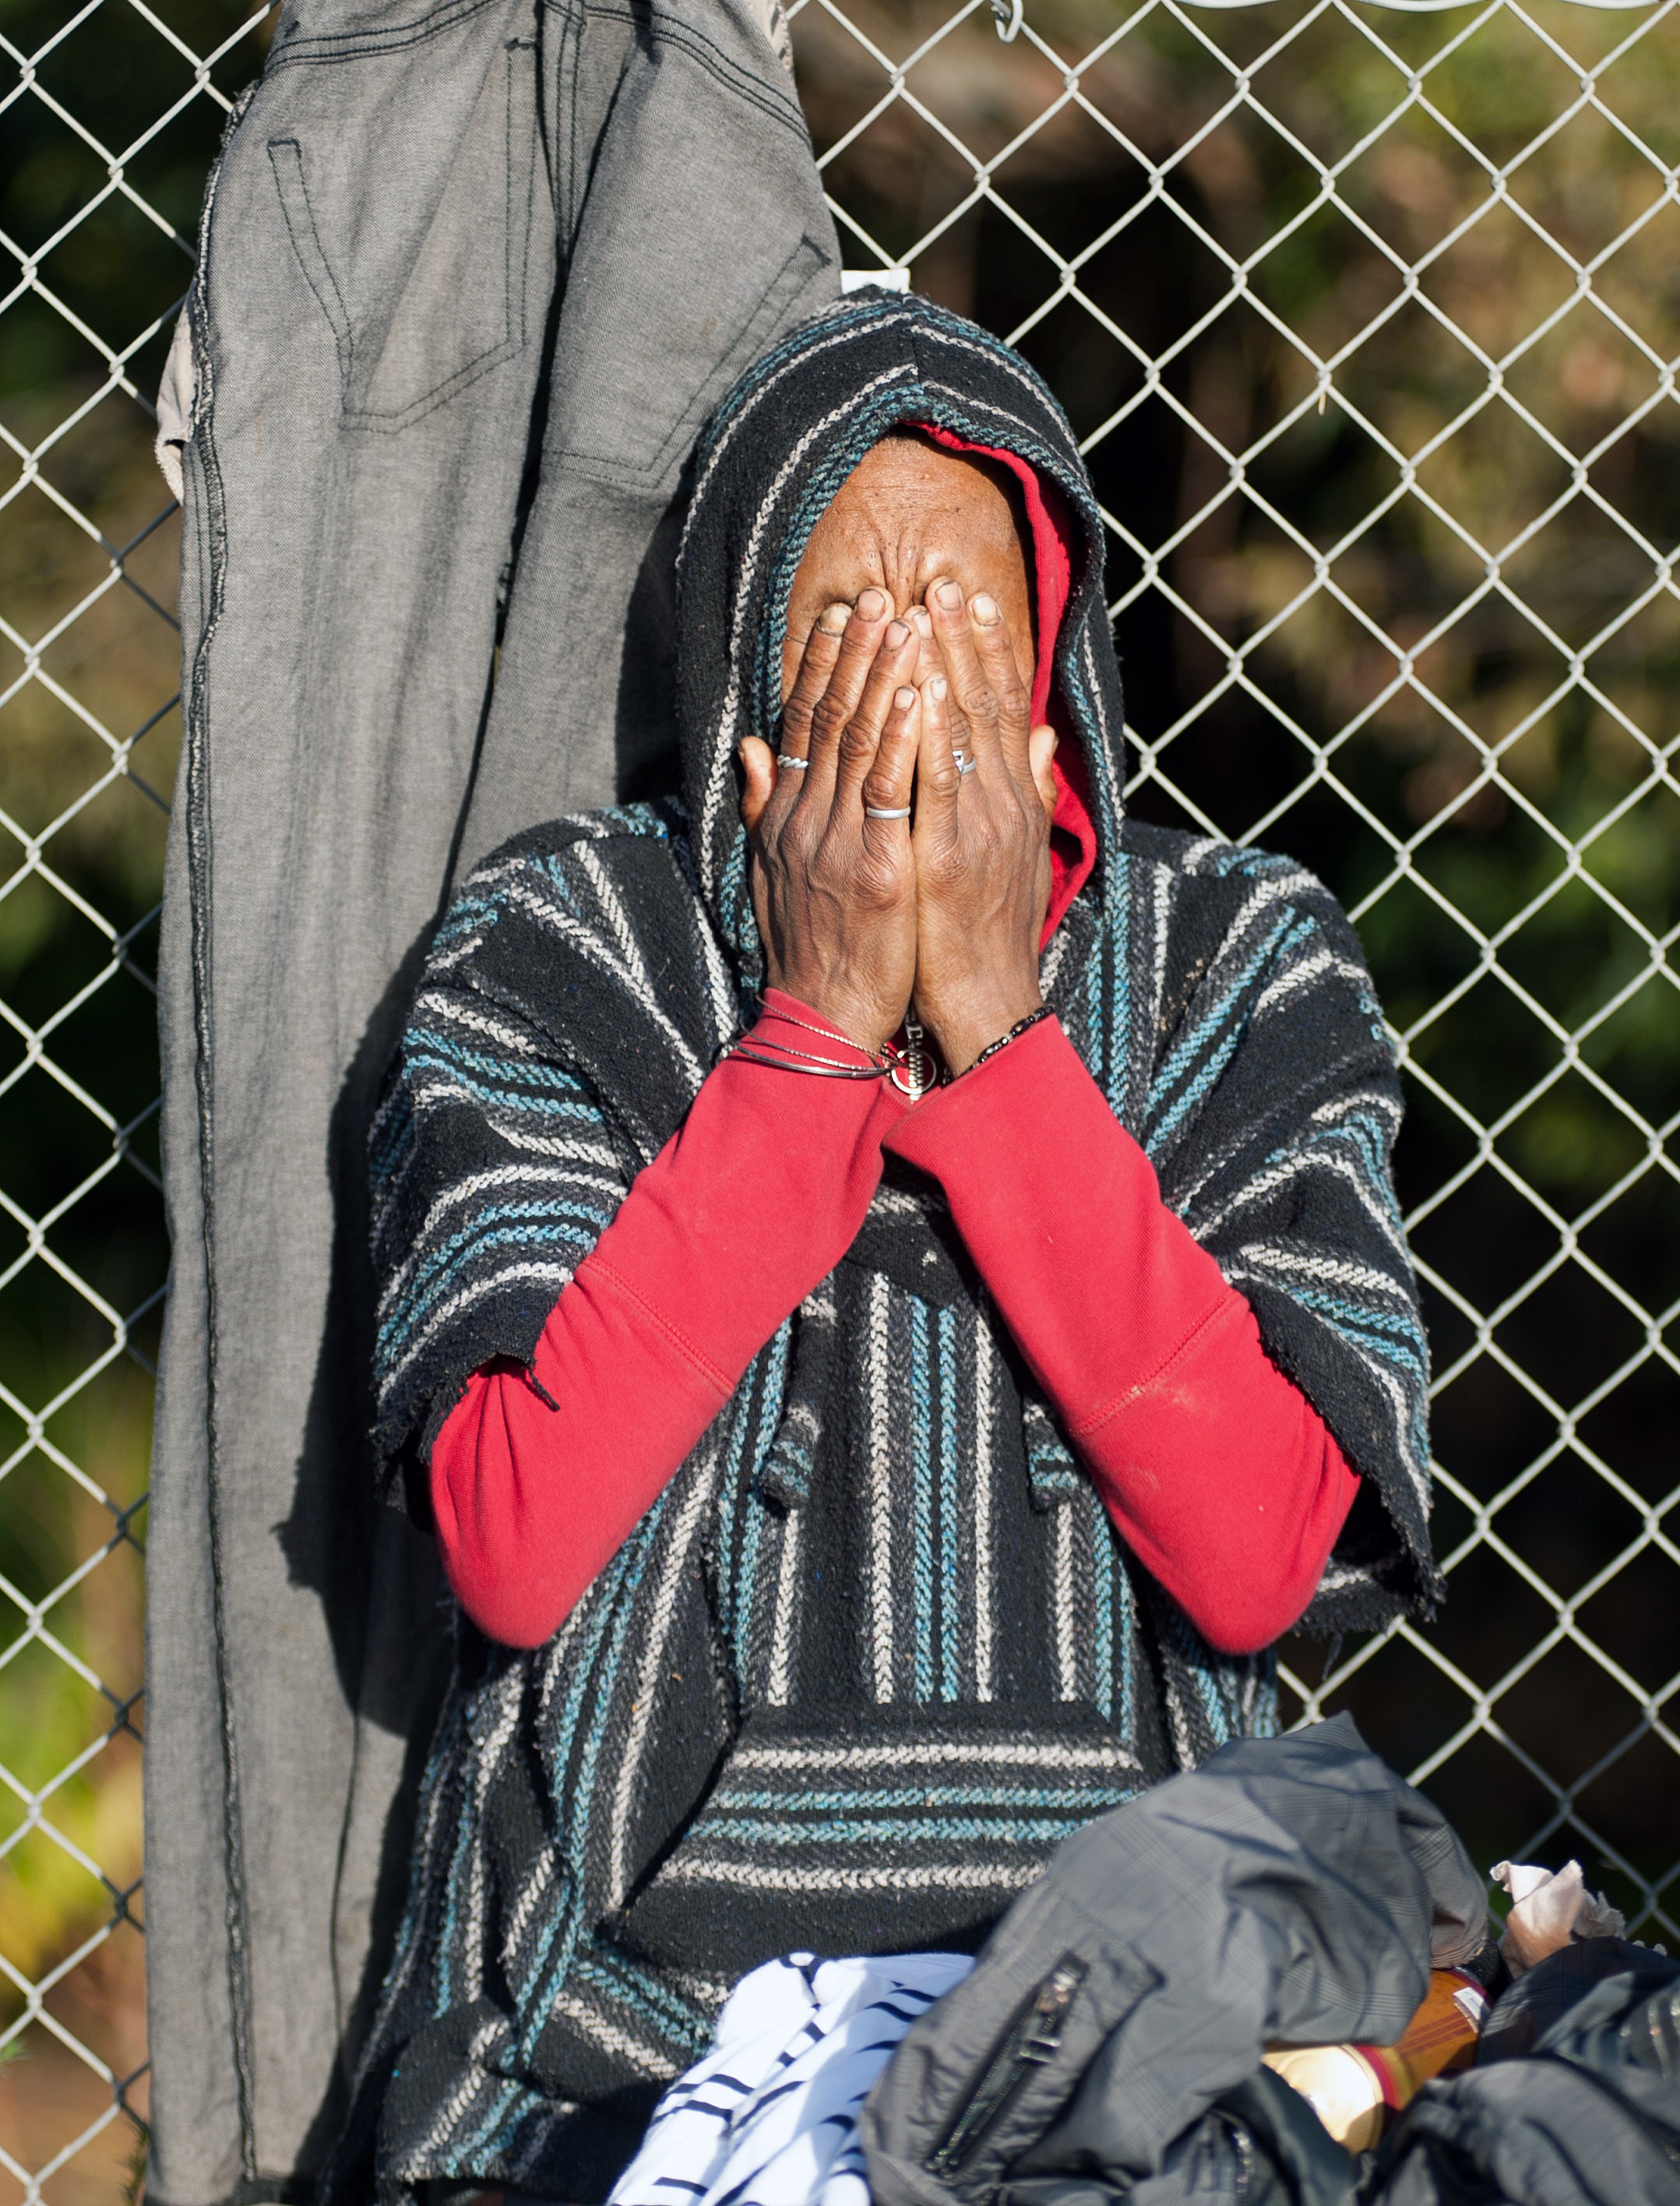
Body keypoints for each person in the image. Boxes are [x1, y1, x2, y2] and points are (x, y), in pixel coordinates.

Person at [325, 291, 1437, 2206]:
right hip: (623, 2002)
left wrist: (1002, 1044)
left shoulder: (1237, 960)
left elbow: (1262, 1560)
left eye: (971, 635)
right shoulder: (563, 949)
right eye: (848, 640)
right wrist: (818, 1031)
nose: (914, 699)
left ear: (1059, 689)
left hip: (1119, 1987)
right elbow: (508, 1541)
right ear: (743, 682)